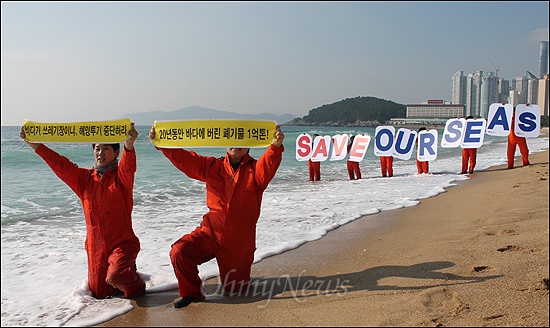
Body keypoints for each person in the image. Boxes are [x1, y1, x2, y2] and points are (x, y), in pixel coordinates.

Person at [148, 124, 285, 308]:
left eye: (242, 139)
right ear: (224, 143)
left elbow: (269, 162)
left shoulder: (256, 171)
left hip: (238, 243)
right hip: (209, 233)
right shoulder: (212, 166)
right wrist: (162, 142)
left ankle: (243, 277)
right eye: (232, 139)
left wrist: (275, 147)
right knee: (179, 252)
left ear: (250, 144)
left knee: (236, 290)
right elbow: (185, 160)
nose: (237, 143)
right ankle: (192, 293)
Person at [20, 123, 146, 299]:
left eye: (106, 149)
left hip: (122, 243)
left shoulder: (121, 178)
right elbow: (60, 164)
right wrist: (34, 143)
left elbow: (128, 167)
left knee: (117, 276)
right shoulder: (84, 179)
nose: (100, 153)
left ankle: (135, 283)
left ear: (116, 152)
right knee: (100, 294)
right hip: (95, 246)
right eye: (97, 148)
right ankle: (122, 277)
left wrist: (129, 144)